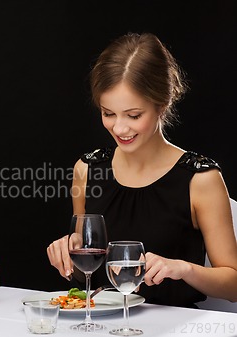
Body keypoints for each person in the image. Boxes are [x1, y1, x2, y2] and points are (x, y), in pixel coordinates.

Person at [47, 32, 237, 307]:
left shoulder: (200, 179)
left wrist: (184, 269)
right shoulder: (87, 170)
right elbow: (85, 273)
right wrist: (67, 251)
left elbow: (233, 285)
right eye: (108, 114)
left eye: (134, 115)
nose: (120, 128)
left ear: (163, 103)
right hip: (101, 325)